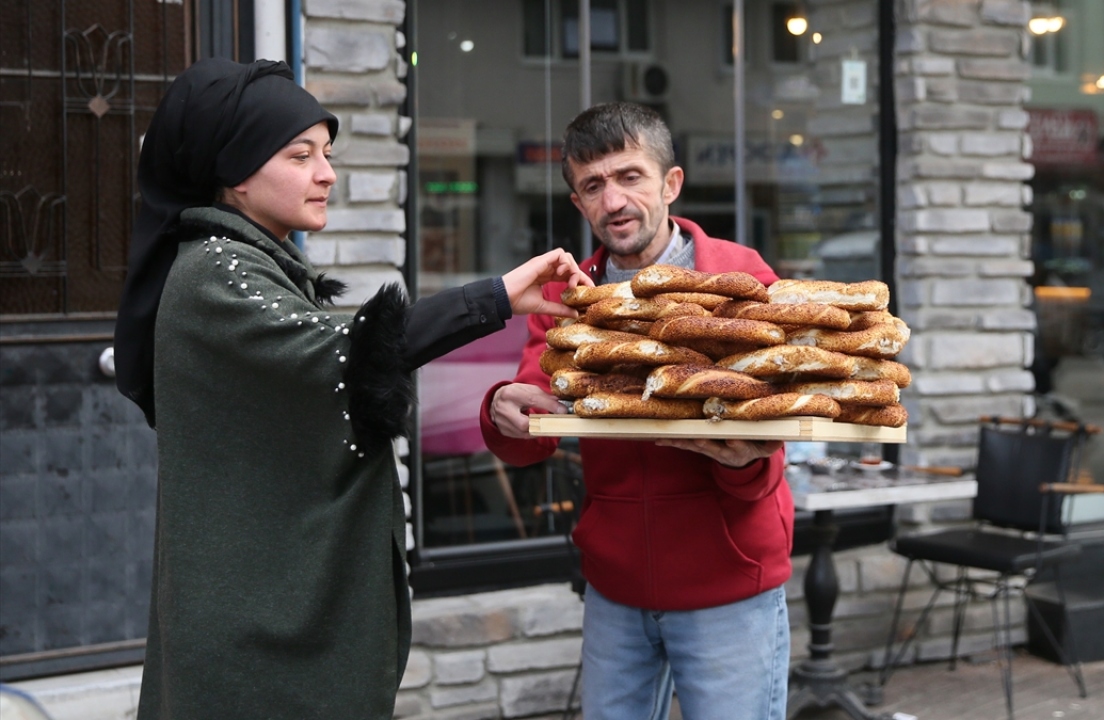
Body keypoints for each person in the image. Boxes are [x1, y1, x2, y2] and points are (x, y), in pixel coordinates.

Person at [112, 58, 591, 719]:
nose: (327, 174)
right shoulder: (217, 273)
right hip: (251, 654)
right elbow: (343, 361)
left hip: (258, 628)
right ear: (235, 171)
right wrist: (493, 299)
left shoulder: (251, 262)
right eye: (300, 155)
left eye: (327, 153)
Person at [480, 102, 792, 719]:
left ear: (670, 183)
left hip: (727, 581)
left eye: (629, 177)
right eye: (593, 186)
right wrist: (500, 410)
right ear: (577, 203)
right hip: (616, 590)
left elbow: (772, 434)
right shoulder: (569, 300)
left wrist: (741, 464)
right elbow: (532, 433)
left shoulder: (743, 278)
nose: (614, 201)